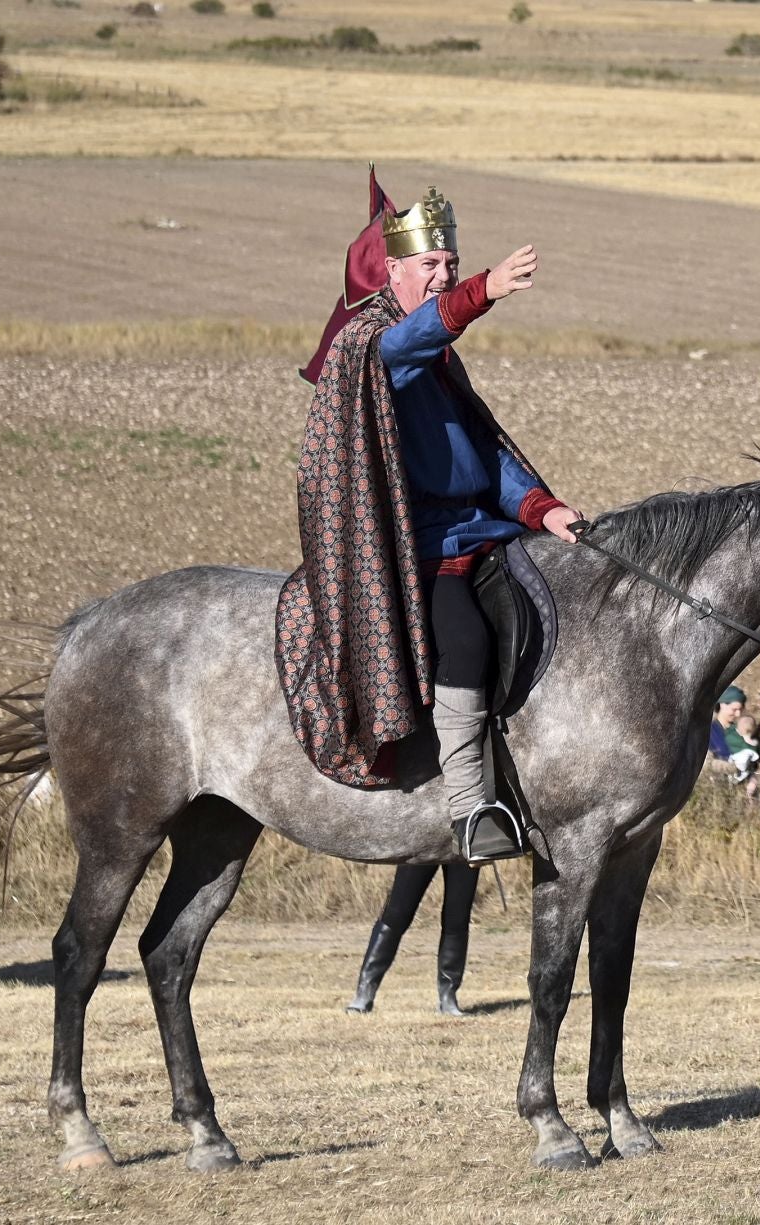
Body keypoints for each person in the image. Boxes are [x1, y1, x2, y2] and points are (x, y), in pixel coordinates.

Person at [276, 180, 585, 863]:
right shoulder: (371, 346)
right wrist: (481, 290)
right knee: (467, 641)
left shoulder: (438, 355)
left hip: (484, 530)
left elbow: (477, 453)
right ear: (391, 271)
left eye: (450, 264)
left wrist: (542, 507)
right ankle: (471, 807)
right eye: (431, 266)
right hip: (421, 545)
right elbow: (414, 337)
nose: (442, 275)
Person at [347, 862, 480, 1015]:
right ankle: (364, 994)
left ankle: (448, 998)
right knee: (397, 913)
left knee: (457, 918)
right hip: (423, 844)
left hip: (464, 846)